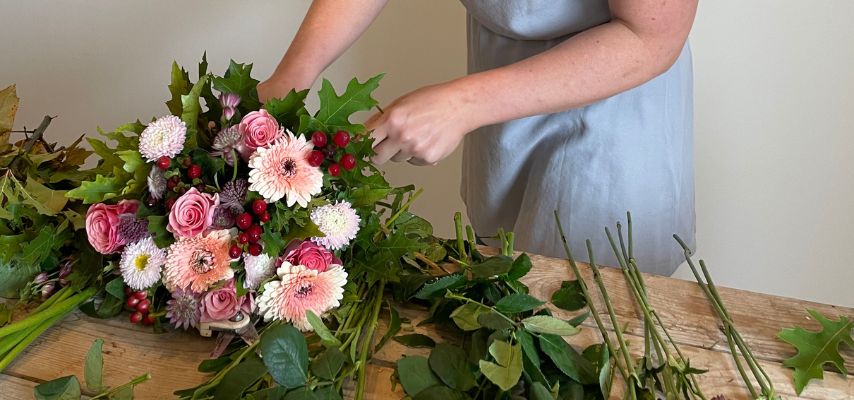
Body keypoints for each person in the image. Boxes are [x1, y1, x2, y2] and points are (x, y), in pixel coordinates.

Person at [258, 0, 698, 275]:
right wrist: (288, 81)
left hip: (609, 110)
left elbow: (652, 35)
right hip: (497, 78)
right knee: (505, 298)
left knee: (584, 317)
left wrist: (463, 105)